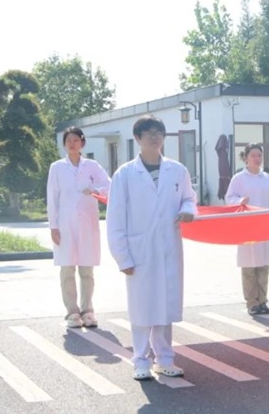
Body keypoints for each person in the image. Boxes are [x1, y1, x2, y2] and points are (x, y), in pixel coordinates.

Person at [106, 115, 197, 381]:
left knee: (164, 306)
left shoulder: (177, 170)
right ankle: (140, 361)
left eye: (158, 132)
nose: (154, 137)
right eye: (148, 133)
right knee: (142, 308)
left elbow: (189, 199)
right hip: (140, 250)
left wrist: (188, 210)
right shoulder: (124, 174)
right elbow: (115, 219)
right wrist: (122, 256)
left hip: (168, 247)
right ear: (137, 138)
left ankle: (165, 359)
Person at [46, 126, 111, 329]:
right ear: (64, 144)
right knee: (67, 269)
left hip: (87, 223)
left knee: (86, 269)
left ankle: (88, 310)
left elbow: (109, 185)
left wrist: (94, 189)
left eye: (75, 140)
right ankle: (72, 312)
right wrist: (53, 226)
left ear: (82, 142)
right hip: (65, 224)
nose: (72, 144)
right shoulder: (57, 167)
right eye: (68, 141)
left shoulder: (92, 166)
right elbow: (52, 197)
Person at [225, 143, 269, 316]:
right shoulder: (238, 178)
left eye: (259, 155)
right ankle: (252, 303)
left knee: (264, 266)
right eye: (253, 155)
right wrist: (239, 201)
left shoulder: (267, 179)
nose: (257, 159)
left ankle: (263, 301)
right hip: (247, 227)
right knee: (249, 267)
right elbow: (229, 198)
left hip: (265, 226)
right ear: (246, 158)